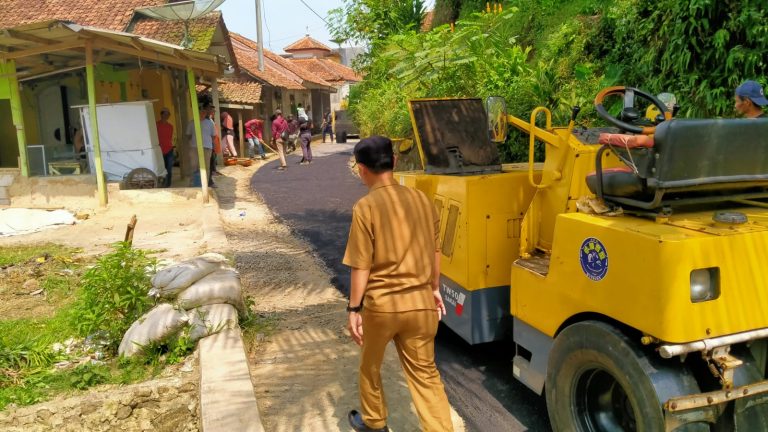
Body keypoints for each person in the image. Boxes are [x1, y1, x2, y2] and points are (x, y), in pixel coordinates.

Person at [343, 136, 453, 432]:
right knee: (426, 374)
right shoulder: (422, 200)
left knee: (370, 368)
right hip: (421, 306)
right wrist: (433, 288)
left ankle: (375, 423)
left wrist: (354, 308)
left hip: (382, 308)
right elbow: (435, 251)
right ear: (394, 162)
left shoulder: (365, 208)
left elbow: (361, 264)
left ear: (362, 170)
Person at [186, 105, 217, 187]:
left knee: (206, 167)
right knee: (194, 166)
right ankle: (193, 183)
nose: (202, 114)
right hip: (194, 147)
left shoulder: (210, 123)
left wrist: (206, 142)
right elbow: (188, 135)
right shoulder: (192, 123)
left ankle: (205, 184)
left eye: (204, 112)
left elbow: (214, 136)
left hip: (206, 148)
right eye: (200, 112)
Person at [156, 107, 174, 188]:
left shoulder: (170, 126)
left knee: (169, 169)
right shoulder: (156, 125)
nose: (167, 116)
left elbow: (169, 138)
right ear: (161, 114)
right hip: (159, 150)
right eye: (165, 114)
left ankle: (168, 185)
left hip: (169, 150)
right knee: (160, 168)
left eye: (168, 114)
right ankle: (161, 183)